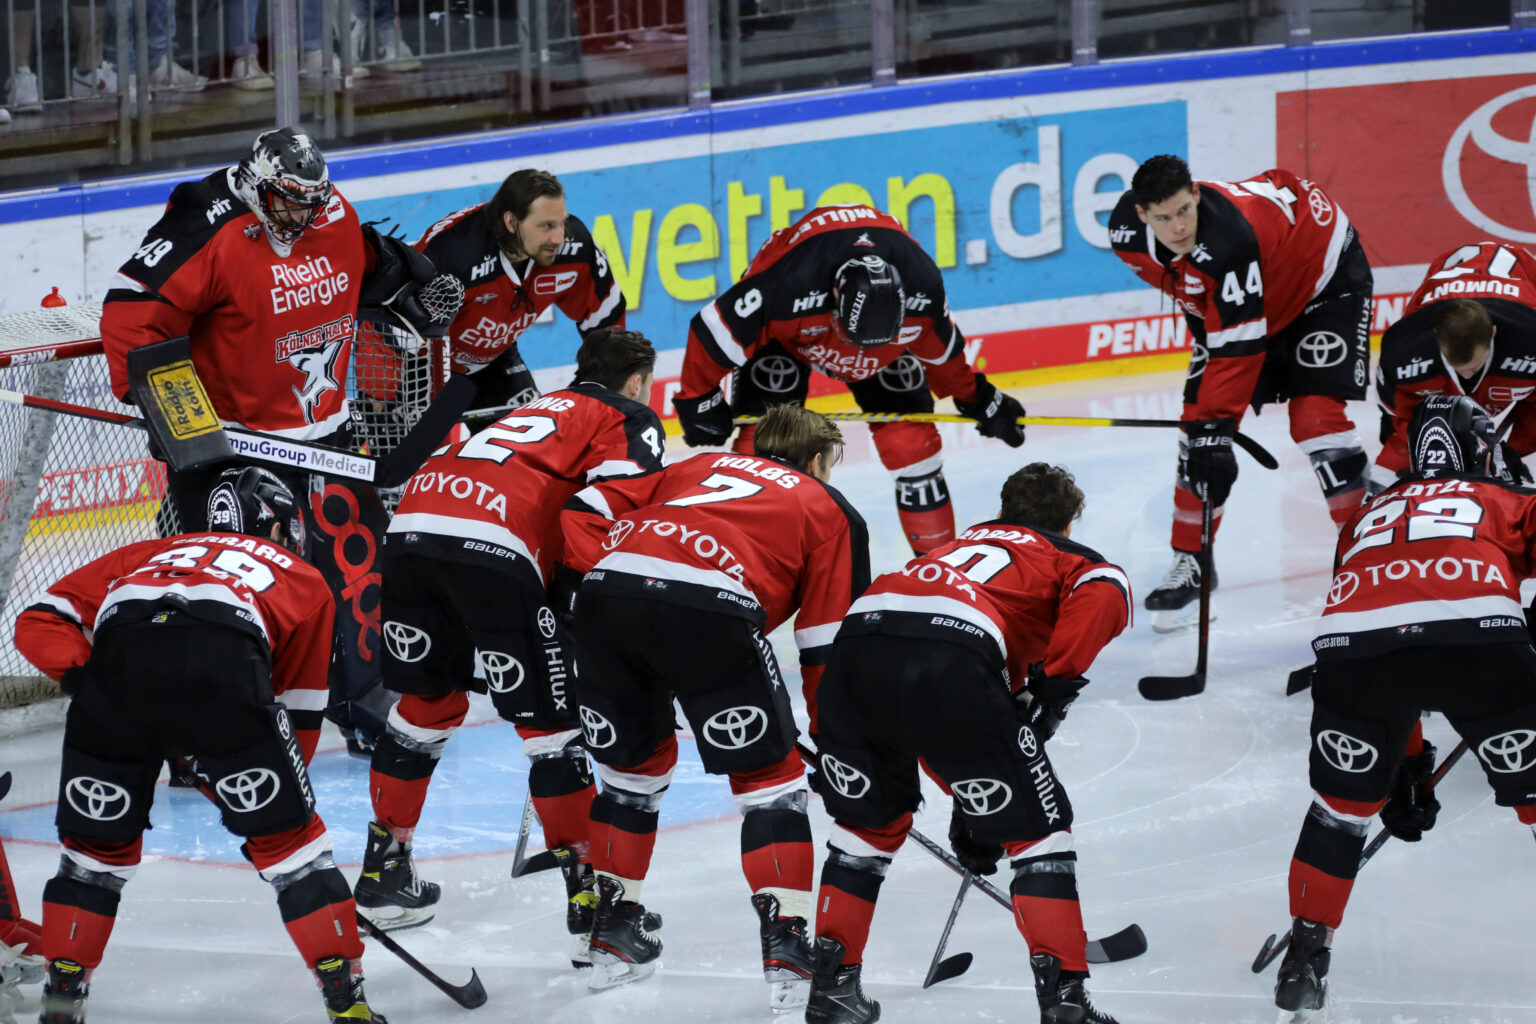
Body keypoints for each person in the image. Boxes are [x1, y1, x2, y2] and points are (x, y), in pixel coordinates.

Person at [99, 126, 451, 757]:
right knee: (230, 592)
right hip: (235, 450)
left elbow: (363, 265)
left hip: (329, 434)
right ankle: (207, 726)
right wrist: (182, 425)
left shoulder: (326, 210)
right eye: (290, 201)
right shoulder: (204, 227)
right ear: (258, 185)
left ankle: (362, 699)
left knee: (355, 574)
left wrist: (410, 286)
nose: (305, 213)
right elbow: (133, 311)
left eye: (313, 200)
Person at [12, 468, 388, 1023]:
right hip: (225, 675)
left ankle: (62, 1001)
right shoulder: (304, 579)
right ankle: (347, 1005)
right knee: (294, 851)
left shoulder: (143, 552)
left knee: (91, 860)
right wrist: (268, 810)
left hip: (116, 677)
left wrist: (95, 687)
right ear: (279, 526)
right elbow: (300, 715)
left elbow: (38, 622)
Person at [356, 329, 664, 958]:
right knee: (550, 729)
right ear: (636, 382)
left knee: (426, 706)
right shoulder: (628, 414)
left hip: (412, 529)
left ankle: (383, 871)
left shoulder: (531, 409)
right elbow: (614, 510)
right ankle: (592, 899)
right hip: (494, 546)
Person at [560, 404, 870, 1007]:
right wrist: (837, 741)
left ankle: (614, 937)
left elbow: (586, 506)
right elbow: (827, 643)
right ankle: (788, 955)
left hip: (606, 596)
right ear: (815, 460)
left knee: (630, 777)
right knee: (769, 784)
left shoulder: (699, 466)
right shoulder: (831, 509)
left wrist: (604, 578)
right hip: (712, 610)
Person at [804, 462, 1131, 1024]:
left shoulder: (950, 550)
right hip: (951, 658)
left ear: (1003, 512)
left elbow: (921, 701)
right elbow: (1106, 594)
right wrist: (1052, 691)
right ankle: (1066, 1006)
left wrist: (969, 802)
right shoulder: (1070, 557)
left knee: (865, 828)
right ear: (1069, 523)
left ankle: (832, 989)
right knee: (1038, 835)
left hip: (855, 651)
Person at [1275, 393, 1536, 1024]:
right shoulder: (1507, 498)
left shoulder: (1364, 515)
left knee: (1338, 813)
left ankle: (1306, 955)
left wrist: (1406, 769)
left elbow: (1388, 624)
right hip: (1481, 645)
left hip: (1353, 658)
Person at [1109, 155, 1373, 630]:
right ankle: (1191, 564)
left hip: (1322, 281)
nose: (1178, 226)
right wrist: (1209, 431)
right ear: (1142, 214)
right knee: (1197, 433)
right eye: (1164, 217)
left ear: (1196, 193)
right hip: (1258, 288)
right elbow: (1205, 305)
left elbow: (1242, 346)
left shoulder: (1227, 237)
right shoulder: (1127, 238)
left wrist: (1218, 428)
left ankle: (1370, 554)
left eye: (1185, 209)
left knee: (1316, 422)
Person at [672, 203, 1025, 557]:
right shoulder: (785, 283)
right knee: (762, 450)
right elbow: (712, 330)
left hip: (884, 344)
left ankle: (939, 572)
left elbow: (945, 358)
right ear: (835, 302)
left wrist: (978, 397)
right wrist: (697, 400)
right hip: (788, 340)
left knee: (911, 446)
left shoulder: (923, 287)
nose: (856, 359)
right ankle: (738, 562)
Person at [416, 168, 627, 420]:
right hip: (417, 369)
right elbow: (390, 335)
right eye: (547, 226)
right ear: (512, 223)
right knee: (406, 457)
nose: (560, 237)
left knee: (532, 448)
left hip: (492, 364)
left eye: (561, 221)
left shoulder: (574, 247)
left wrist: (606, 387)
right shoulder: (453, 253)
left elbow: (606, 321)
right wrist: (382, 399)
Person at [1371, 242, 1536, 496]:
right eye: (1457, 368)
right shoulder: (1404, 348)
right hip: (1442, 296)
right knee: (1391, 466)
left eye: (1474, 367)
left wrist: (1513, 448)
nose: (1468, 377)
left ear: (1493, 334)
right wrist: (1413, 441)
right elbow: (1399, 413)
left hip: (1525, 285)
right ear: (1437, 339)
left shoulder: (1530, 339)